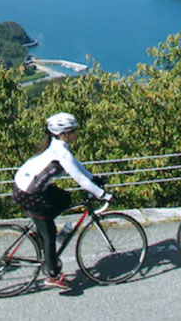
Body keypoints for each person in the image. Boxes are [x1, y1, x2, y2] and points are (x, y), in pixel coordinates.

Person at [13, 113, 112, 290]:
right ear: (65, 133)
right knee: (50, 233)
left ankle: (39, 234)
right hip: (29, 193)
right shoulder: (61, 152)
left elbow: (78, 168)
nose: (77, 133)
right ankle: (53, 275)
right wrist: (103, 195)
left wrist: (94, 178)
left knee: (64, 198)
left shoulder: (58, 146)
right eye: (74, 131)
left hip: (27, 186)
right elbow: (80, 180)